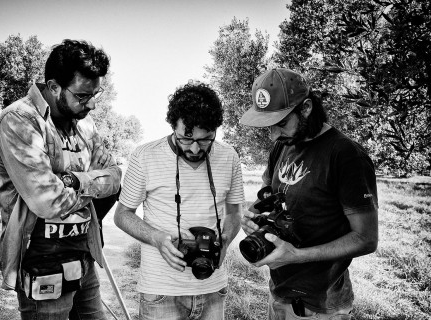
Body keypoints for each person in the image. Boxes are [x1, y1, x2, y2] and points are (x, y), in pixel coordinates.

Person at [0, 39, 122, 320]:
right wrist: (92, 182)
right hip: (41, 259)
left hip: (84, 255)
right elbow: (48, 201)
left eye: (95, 95)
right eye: (81, 96)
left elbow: (115, 178)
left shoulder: (86, 124)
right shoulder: (20, 120)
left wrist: (74, 181)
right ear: (53, 87)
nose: (90, 104)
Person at [239, 68, 379, 320]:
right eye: (268, 126)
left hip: (321, 304)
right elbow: (266, 198)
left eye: (281, 123)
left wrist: (297, 255)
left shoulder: (345, 155)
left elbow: (366, 238)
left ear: (305, 109)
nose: (273, 135)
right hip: (279, 293)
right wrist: (252, 216)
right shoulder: (281, 147)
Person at [114, 81, 245, 320]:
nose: (195, 148)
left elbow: (235, 212)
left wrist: (225, 239)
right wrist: (156, 238)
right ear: (173, 126)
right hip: (161, 291)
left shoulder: (229, 156)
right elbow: (122, 215)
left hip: (213, 286)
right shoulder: (145, 156)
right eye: (186, 138)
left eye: (205, 139)